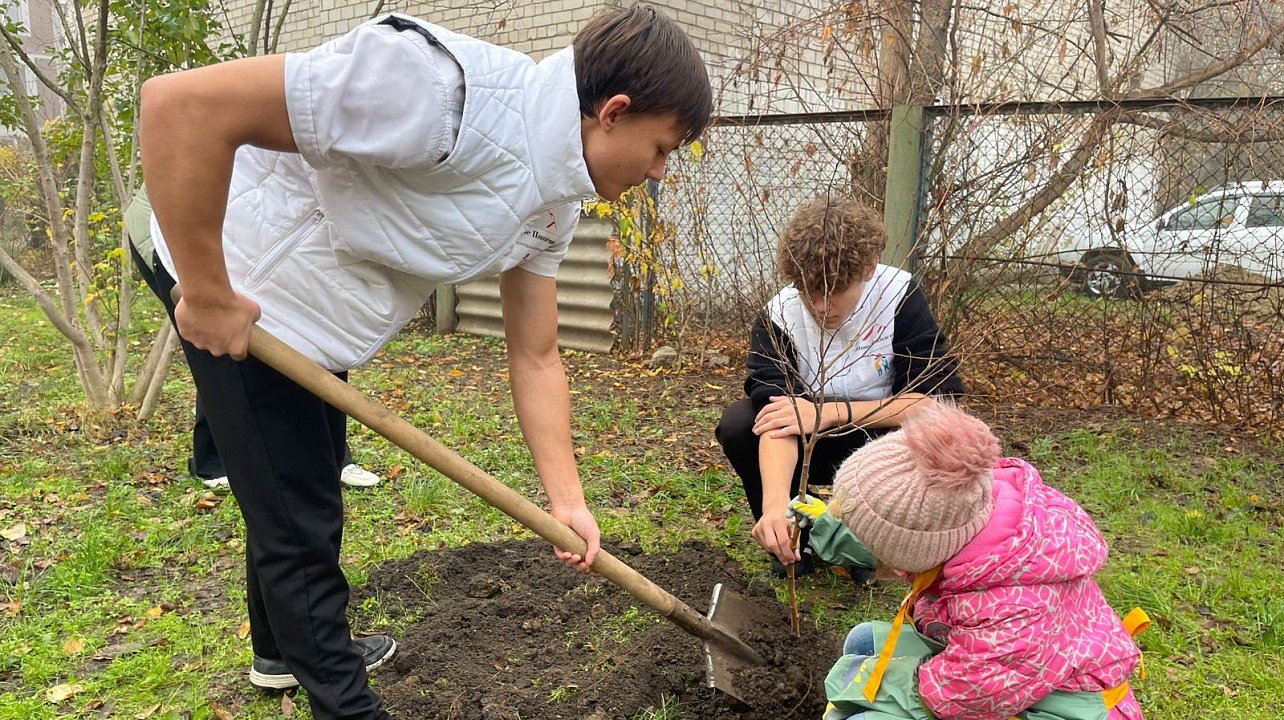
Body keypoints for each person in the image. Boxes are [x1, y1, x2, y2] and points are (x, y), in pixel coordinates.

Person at [135, 5, 712, 719]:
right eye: (662, 148)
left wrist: (568, 502)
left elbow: (535, 354)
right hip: (228, 267)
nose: (658, 171)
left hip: (310, 307)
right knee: (296, 513)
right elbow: (180, 105)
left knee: (300, 477)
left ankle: (280, 653)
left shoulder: (555, 201)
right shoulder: (439, 95)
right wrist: (208, 291)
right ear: (614, 113)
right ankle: (347, 705)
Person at [793, 403, 1145, 720]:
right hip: (1003, 670)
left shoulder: (1010, 605)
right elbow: (898, 542)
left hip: (1055, 704)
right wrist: (831, 526)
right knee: (863, 641)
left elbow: (962, 696)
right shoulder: (968, 514)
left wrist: (862, 689)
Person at [715, 197, 964, 578]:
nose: (819, 306)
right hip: (812, 444)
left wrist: (829, 411)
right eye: (807, 292)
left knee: (946, 436)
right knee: (739, 422)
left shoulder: (897, 297)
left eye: (833, 292)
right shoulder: (779, 316)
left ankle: (876, 547)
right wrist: (776, 507)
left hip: (884, 445)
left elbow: (935, 402)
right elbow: (778, 417)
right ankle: (797, 541)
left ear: (867, 270)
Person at [125, 188, 381, 490]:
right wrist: (205, 292)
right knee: (226, 353)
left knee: (317, 344)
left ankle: (335, 459)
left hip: (277, 236)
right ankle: (211, 462)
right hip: (180, 235)